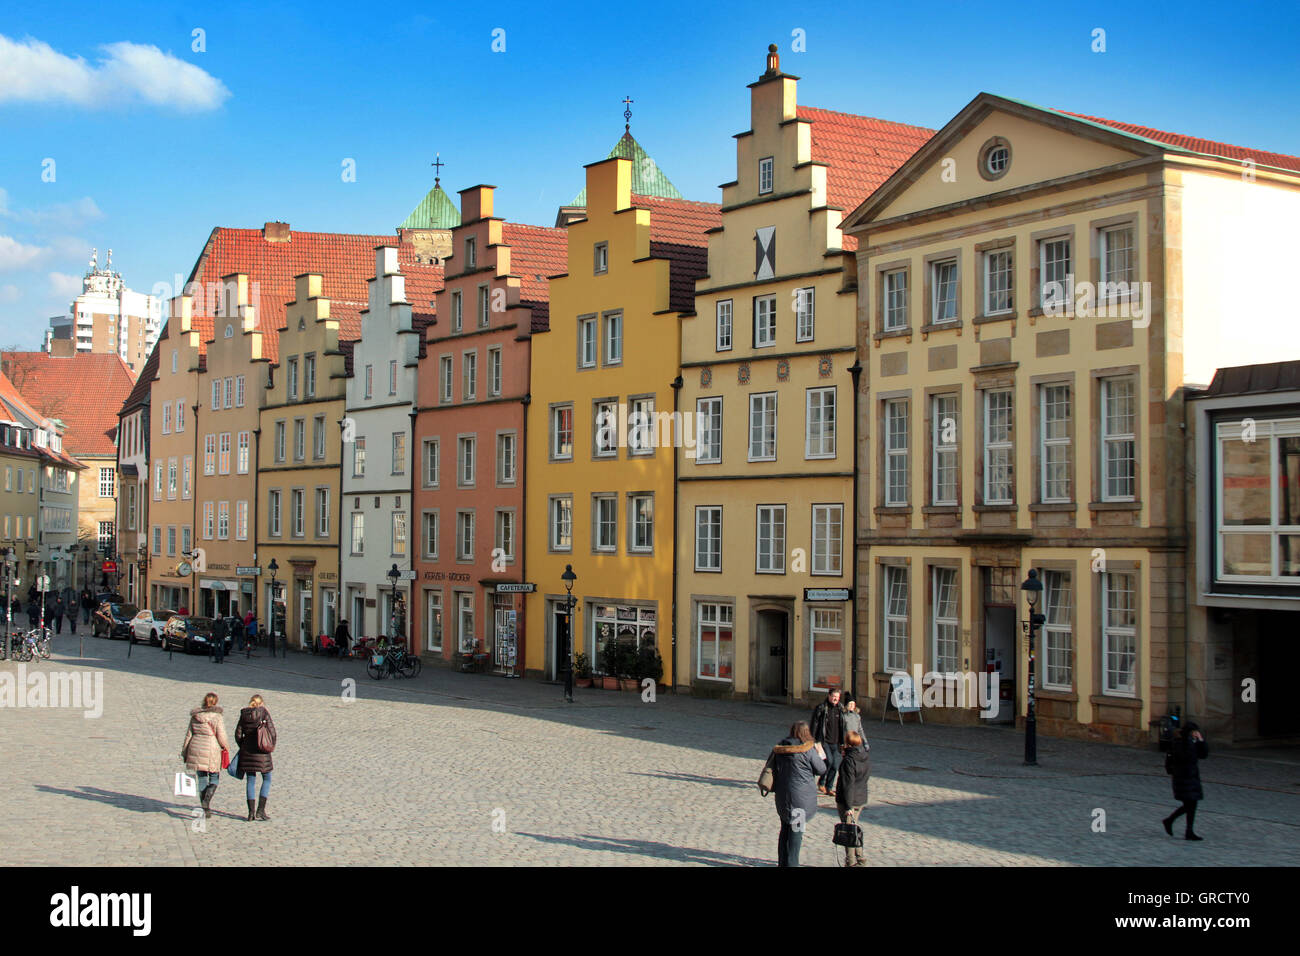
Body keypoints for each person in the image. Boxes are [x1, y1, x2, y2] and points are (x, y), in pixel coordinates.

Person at [770, 721, 827, 867]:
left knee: (784, 831)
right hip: (801, 800)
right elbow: (821, 769)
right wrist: (819, 756)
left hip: (783, 797)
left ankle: (782, 863)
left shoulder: (781, 749)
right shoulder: (808, 750)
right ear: (806, 733)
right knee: (796, 835)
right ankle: (792, 864)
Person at [181, 692, 230, 819]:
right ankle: (207, 800)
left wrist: (185, 751)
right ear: (215, 702)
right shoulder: (217, 717)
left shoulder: (195, 716)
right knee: (214, 777)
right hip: (211, 749)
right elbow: (221, 736)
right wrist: (226, 747)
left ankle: (205, 807)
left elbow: (189, 735)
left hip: (195, 747)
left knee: (202, 778)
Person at [1163, 722, 1209, 841]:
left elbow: (1204, 755)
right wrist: (1195, 743)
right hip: (1184, 777)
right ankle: (1179, 826)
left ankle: (1176, 824)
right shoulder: (1181, 743)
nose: (1197, 734)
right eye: (1195, 732)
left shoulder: (1190, 742)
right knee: (1190, 804)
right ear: (1191, 732)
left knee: (1190, 805)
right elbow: (1186, 758)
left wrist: (1201, 741)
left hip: (1190, 777)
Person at [236, 694, 276, 822]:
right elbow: (272, 732)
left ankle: (251, 813)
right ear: (262, 703)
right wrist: (270, 745)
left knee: (251, 780)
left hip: (247, 752)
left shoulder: (244, 714)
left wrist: (243, 745)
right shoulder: (264, 713)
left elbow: (237, 734)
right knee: (267, 778)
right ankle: (261, 810)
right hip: (263, 751)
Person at [835, 730, 871, 867]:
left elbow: (848, 785)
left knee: (849, 834)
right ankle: (860, 860)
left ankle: (851, 862)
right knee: (854, 831)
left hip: (848, 801)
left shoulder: (849, 761)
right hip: (861, 798)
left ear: (848, 744)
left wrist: (848, 807)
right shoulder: (865, 756)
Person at [811, 688, 846, 796]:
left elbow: (843, 726)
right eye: (834, 696)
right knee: (829, 761)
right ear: (829, 696)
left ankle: (829, 787)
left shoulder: (840, 708)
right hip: (824, 740)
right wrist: (812, 739)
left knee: (835, 766)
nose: (835, 699)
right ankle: (821, 782)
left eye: (837, 697)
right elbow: (814, 724)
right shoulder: (821, 708)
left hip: (836, 742)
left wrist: (843, 741)